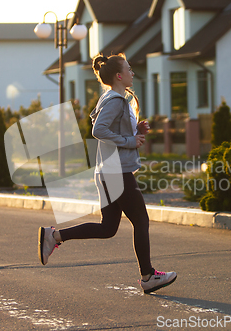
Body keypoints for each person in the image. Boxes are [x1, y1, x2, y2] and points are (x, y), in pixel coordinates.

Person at [38, 53, 176, 294]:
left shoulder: (112, 98)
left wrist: (136, 128)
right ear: (119, 76)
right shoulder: (115, 100)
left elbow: (109, 127)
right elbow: (98, 130)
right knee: (141, 221)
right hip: (116, 172)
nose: (132, 73)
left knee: (108, 228)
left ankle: (54, 235)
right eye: (129, 69)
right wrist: (128, 141)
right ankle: (148, 276)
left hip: (109, 171)